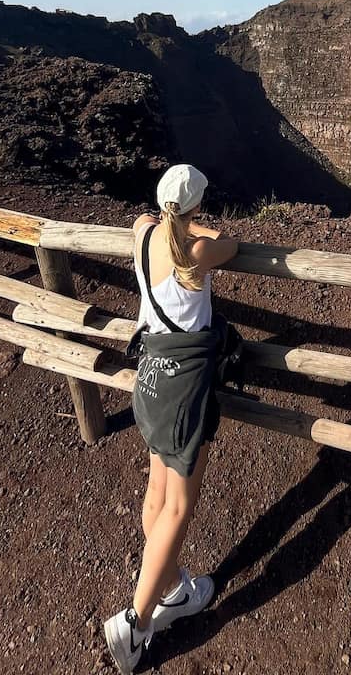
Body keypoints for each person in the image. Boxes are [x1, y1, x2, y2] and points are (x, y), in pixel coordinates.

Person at [104, 163, 239, 674]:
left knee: (156, 496)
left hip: (150, 381)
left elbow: (141, 220)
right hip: (183, 389)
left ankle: (174, 587)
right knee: (178, 507)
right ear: (197, 205)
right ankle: (136, 623)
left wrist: (171, 221)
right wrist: (199, 227)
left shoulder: (143, 235)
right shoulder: (200, 250)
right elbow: (229, 243)